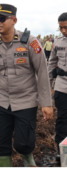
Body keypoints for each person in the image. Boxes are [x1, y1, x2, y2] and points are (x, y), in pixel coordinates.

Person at [0, 4, 53, 167]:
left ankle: (27, 157)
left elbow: (42, 72)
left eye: (2, 19)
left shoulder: (30, 42)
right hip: (2, 102)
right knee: (1, 144)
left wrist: (46, 103)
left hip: (25, 102)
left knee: (23, 144)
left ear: (14, 20)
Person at [48, 12, 67, 162]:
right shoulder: (58, 42)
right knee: (62, 119)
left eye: (66, 27)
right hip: (62, 87)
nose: (63, 31)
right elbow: (51, 62)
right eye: (61, 28)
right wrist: (47, 83)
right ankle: (62, 151)